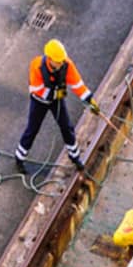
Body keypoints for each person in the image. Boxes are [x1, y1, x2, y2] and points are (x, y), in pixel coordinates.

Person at [15, 38, 99, 173]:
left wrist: (89, 100)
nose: (61, 63)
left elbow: (77, 84)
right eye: (58, 61)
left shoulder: (66, 64)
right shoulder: (36, 65)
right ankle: (19, 157)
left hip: (56, 100)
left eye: (62, 60)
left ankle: (75, 156)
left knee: (67, 127)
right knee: (32, 129)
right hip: (39, 102)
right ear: (50, 59)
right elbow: (36, 89)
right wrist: (54, 94)